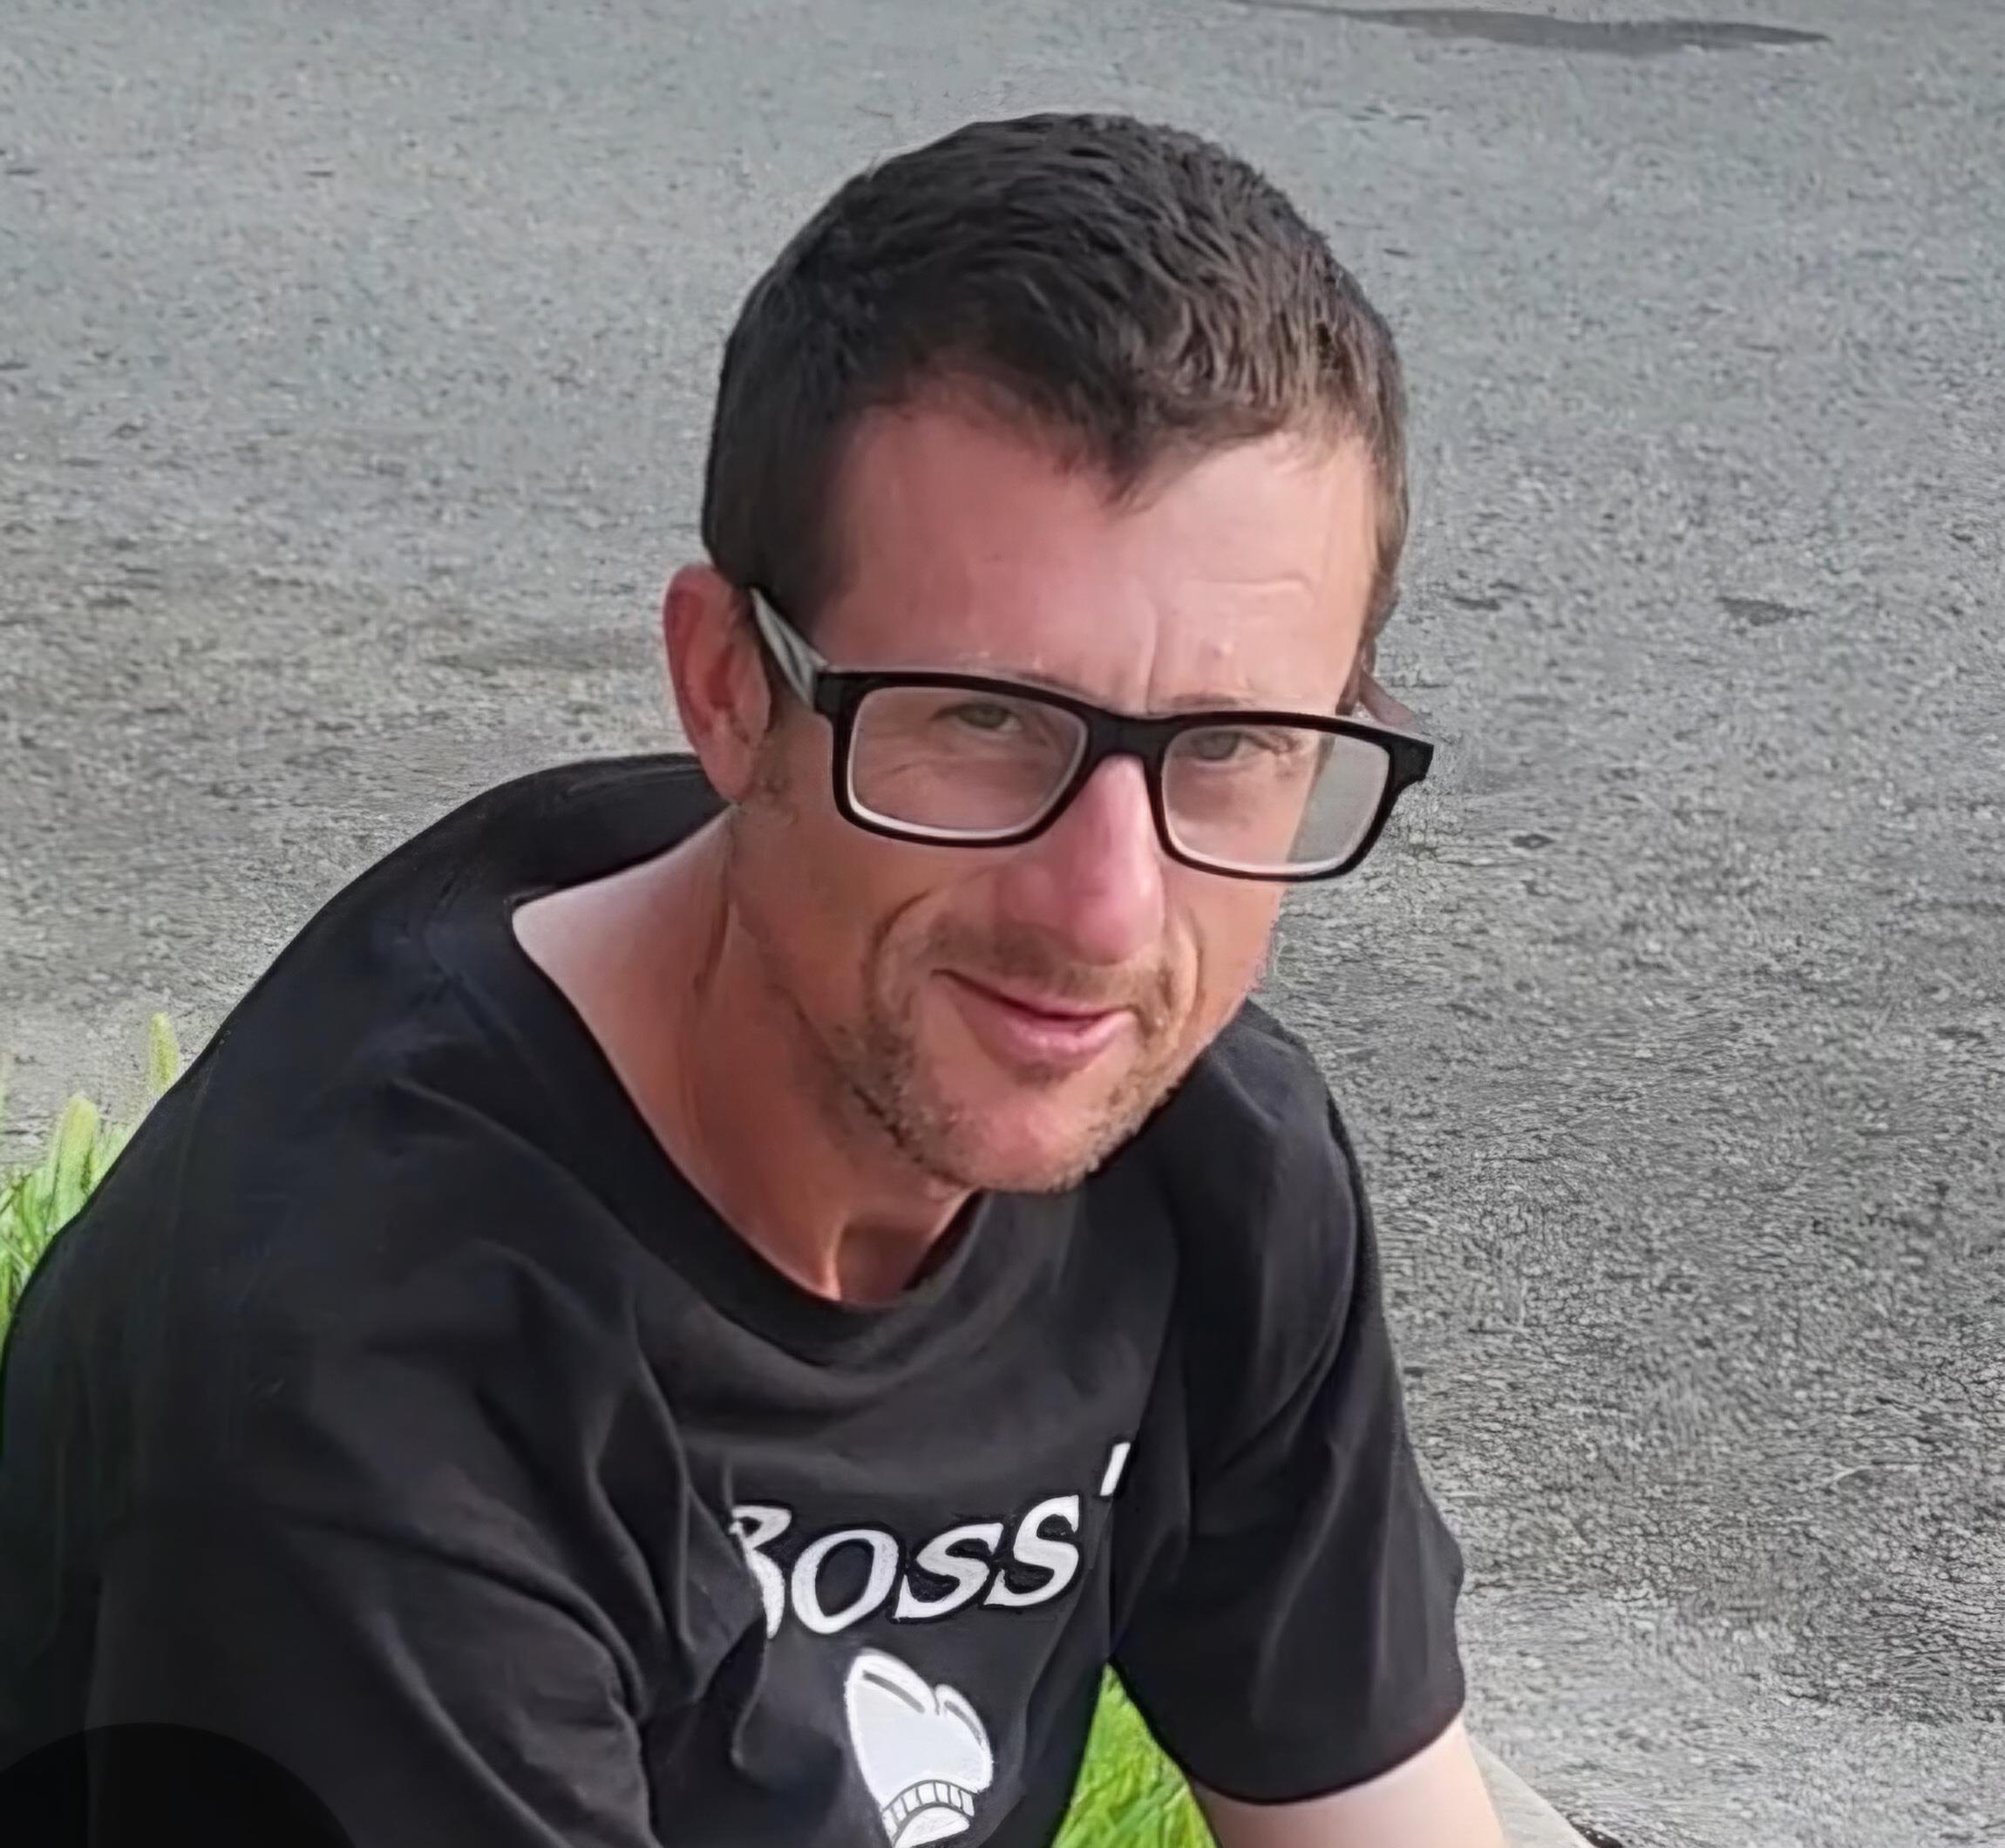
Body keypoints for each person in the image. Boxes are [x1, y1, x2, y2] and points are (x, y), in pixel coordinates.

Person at [0, 112, 1509, 1846]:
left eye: (1233, 747)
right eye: (982, 721)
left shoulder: (1215, 1170)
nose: (1108, 912)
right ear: (728, 688)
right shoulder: (377, 1362)